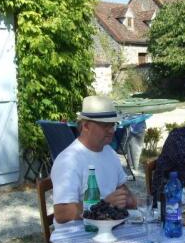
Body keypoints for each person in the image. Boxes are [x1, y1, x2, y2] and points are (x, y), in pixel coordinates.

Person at [51, 95, 136, 224]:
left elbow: (122, 189)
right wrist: (104, 204)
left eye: (113, 124)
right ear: (85, 126)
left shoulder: (109, 152)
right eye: (105, 125)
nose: (112, 130)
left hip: (109, 226)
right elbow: (61, 213)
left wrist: (135, 201)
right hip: (79, 234)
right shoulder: (68, 160)